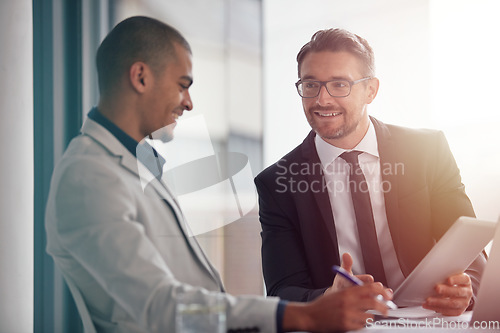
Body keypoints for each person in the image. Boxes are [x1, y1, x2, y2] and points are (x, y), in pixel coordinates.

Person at [45, 17, 393, 333]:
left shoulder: (131, 163)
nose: (189, 102)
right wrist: (303, 315)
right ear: (140, 77)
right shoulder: (90, 177)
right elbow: (160, 307)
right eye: (183, 84)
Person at [255, 28, 487, 317]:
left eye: (340, 85)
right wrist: (329, 296)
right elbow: (282, 290)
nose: (322, 100)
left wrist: (465, 292)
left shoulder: (427, 151)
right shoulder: (278, 183)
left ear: (371, 90)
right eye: (311, 85)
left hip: (427, 321)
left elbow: (474, 260)